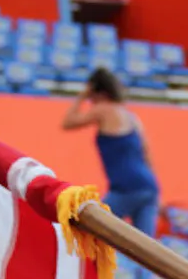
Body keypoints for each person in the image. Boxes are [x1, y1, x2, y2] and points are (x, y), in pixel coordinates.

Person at [61, 67, 160, 237]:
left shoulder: (103, 110)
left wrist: (82, 96)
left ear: (97, 92)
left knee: (88, 229)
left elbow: (68, 123)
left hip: (125, 187)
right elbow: (147, 156)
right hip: (149, 186)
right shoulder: (131, 116)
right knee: (145, 249)